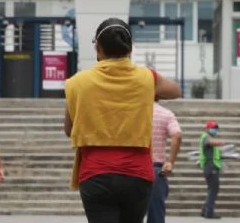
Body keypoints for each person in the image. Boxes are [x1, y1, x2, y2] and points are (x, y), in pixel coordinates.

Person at [63, 17, 181, 223]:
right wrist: (149, 91)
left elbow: (69, 129)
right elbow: (175, 90)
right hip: (137, 174)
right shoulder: (146, 78)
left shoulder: (77, 83)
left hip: (95, 174)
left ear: (98, 48)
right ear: (130, 49)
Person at [147, 103, 182, 223]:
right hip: (155, 169)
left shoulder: (132, 110)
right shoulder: (165, 113)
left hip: (131, 168)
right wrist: (170, 162)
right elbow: (177, 135)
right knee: (156, 214)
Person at [199, 120, 224, 219]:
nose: (215, 130)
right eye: (213, 128)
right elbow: (210, 143)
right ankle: (209, 212)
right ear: (207, 128)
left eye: (216, 128)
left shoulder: (209, 137)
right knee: (214, 189)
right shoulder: (205, 136)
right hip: (210, 166)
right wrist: (221, 142)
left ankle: (205, 210)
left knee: (212, 189)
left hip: (212, 166)